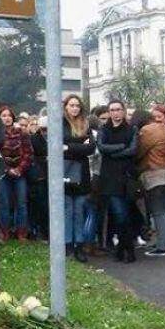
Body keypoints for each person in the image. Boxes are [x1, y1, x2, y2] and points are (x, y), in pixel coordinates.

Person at [95, 99, 140, 262]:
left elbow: (133, 150)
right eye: (112, 110)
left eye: (118, 109)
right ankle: (127, 249)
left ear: (123, 110)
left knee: (127, 214)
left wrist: (113, 152)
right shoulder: (103, 129)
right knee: (119, 214)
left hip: (127, 177)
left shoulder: (132, 129)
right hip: (109, 178)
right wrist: (121, 147)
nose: (115, 113)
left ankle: (123, 248)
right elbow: (101, 147)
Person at [137, 104, 165, 258]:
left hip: (156, 175)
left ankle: (163, 246)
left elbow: (139, 152)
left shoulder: (146, 131)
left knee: (158, 211)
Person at [62, 94, 95, 262]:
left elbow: (90, 147)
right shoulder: (61, 123)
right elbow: (58, 144)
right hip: (65, 171)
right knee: (67, 209)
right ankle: (68, 244)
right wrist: (79, 145)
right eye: (71, 105)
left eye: (77, 105)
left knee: (79, 210)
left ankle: (79, 245)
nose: (74, 108)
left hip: (81, 172)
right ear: (66, 106)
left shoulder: (86, 124)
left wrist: (69, 146)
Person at [0, 105, 32, 241]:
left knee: (21, 202)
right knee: (4, 202)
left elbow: (28, 153)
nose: (7, 118)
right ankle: (4, 231)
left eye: (9, 115)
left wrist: (19, 169)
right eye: (3, 115)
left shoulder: (22, 133)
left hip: (20, 173)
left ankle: (21, 231)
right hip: (3, 173)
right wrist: (7, 169)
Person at [27, 115, 49, 240]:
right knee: (40, 204)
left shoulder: (57, 137)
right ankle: (40, 231)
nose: (45, 132)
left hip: (53, 176)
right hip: (40, 176)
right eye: (43, 129)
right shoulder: (34, 139)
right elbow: (33, 156)